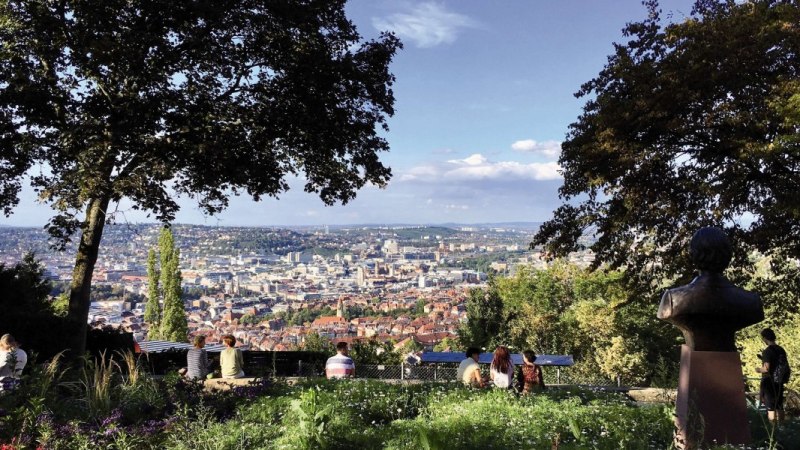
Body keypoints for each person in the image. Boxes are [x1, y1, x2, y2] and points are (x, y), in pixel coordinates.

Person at [756, 328, 788, 423]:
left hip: (769, 382)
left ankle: (772, 429)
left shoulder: (767, 351)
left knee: (771, 407)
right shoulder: (781, 349)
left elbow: (766, 368)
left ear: (765, 338)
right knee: (779, 405)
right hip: (780, 380)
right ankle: (782, 427)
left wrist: (758, 370)